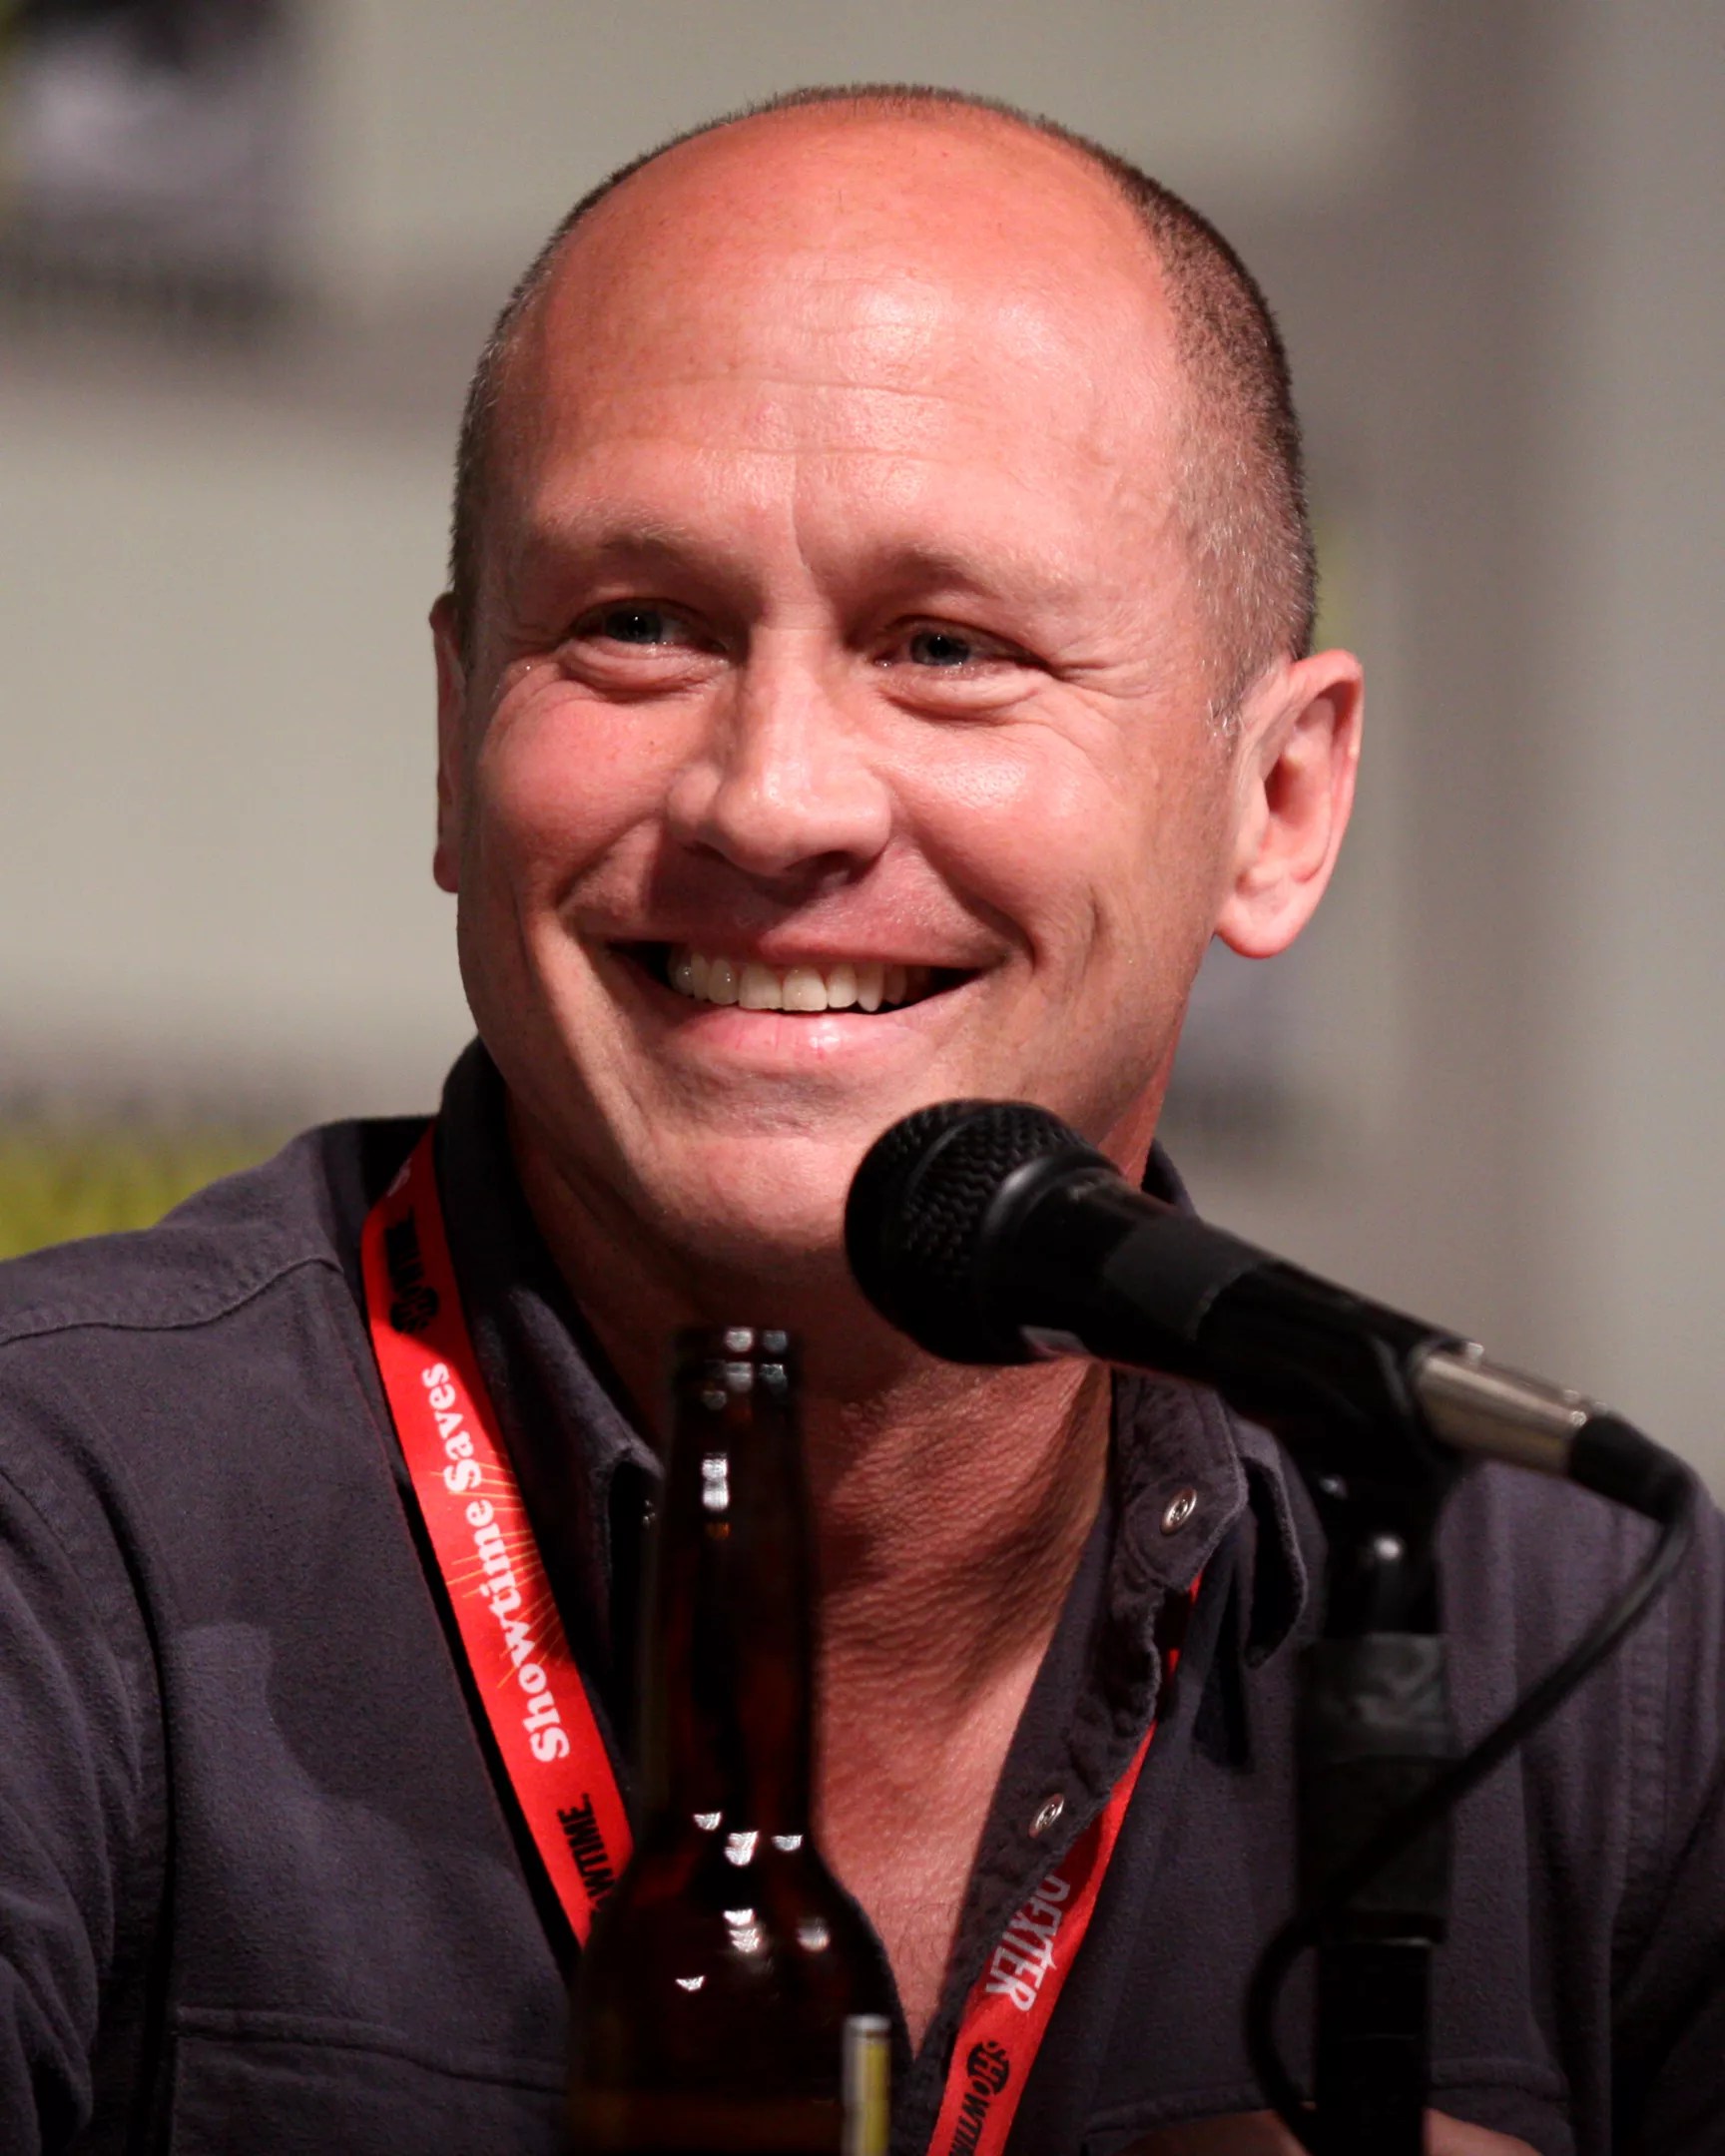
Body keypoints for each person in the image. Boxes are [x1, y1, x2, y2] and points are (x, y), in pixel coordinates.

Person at [0, 87, 1719, 2156]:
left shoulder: (1589, 1655)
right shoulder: (56, 1516)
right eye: (638, 625)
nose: (775, 797)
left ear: (1277, 802)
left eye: (947, 648)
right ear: (456, 740)